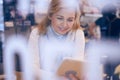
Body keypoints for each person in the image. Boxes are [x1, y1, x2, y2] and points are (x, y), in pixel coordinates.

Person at [28, 0, 85, 79]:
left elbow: (76, 66)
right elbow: (32, 69)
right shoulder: (36, 34)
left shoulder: (77, 34)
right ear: (50, 15)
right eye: (60, 18)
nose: (64, 25)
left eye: (70, 20)